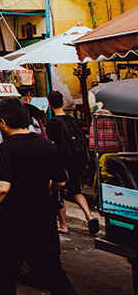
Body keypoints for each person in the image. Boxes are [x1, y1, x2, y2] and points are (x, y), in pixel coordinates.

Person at [0, 97, 84, 295]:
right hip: (44, 223)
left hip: (14, 224)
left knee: (4, 276)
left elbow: (1, 187)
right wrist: (44, 190)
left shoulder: (5, 149)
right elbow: (61, 181)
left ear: (2, 123)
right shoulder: (47, 145)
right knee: (55, 276)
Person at [46, 91, 99, 235]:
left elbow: (52, 145)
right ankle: (90, 216)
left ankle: (63, 225)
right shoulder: (73, 121)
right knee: (76, 190)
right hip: (78, 160)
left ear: (49, 105)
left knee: (58, 193)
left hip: (62, 162)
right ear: (63, 103)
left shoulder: (52, 124)